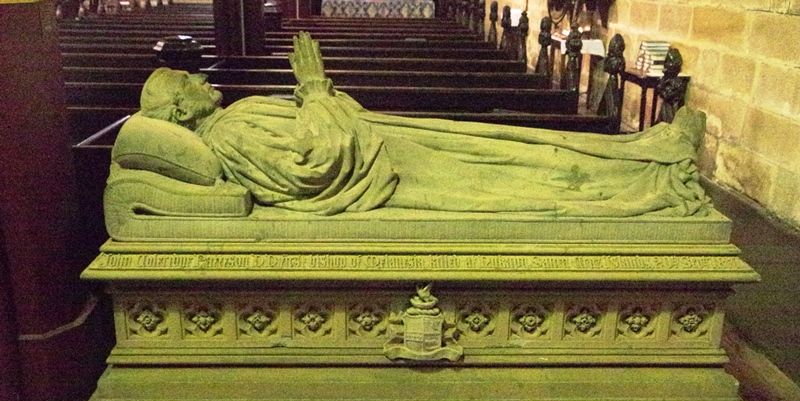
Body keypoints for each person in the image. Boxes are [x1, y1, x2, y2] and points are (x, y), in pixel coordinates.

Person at [138, 32, 710, 217]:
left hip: (384, 144)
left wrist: (321, 97)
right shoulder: (230, 133)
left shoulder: (233, 117)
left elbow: (320, 139)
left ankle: (651, 147)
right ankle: (656, 180)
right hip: (390, 166)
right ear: (184, 112)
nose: (196, 78)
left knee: (518, 143)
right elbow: (313, 166)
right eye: (185, 83)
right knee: (528, 172)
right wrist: (313, 86)